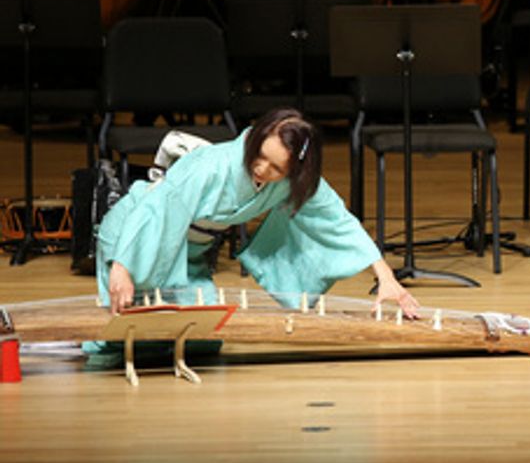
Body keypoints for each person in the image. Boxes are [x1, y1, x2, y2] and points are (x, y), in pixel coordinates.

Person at [96, 108, 419, 329]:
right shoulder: (212, 165)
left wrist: (386, 277)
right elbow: (157, 210)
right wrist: (122, 266)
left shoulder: (294, 183)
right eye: (260, 156)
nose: (262, 169)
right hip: (136, 239)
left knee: (201, 335)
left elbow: (338, 222)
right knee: (122, 333)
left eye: (276, 168)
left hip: (187, 256)